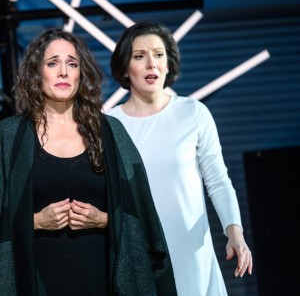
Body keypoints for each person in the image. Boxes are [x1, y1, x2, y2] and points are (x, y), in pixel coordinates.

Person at [0, 28, 177, 295]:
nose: (63, 72)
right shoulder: (10, 136)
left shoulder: (112, 133)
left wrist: (105, 219)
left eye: (72, 64)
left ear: (82, 73)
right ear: (36, 72)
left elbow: (144, 220)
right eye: (53, 63)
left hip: (102, 279)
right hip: (34, 280)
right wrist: (34, 221)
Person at [107, 21, 253, 295]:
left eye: (158, 55)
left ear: (168, 63)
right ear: (126, 68)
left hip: (191, 249)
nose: (152, 64)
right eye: (140, 56)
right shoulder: (110, 124)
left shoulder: (193, 113)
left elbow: (218, 180)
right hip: (138, 253)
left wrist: (235, 232)